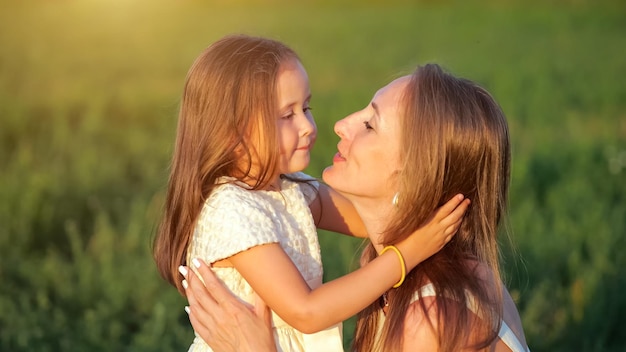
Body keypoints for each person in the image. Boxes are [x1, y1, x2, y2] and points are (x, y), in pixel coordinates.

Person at [180, 63, 530, 352]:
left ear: (414, 174)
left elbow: (307, 309)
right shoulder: (405, 280)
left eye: (369, 125)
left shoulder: (428, 319)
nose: (338, 125)